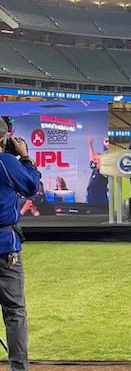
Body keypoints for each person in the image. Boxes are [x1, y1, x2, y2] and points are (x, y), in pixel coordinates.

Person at [0, 117, 40, 371]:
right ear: (4, 140)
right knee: (14, 312)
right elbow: (31, 186)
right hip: (5, 247)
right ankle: (18, 368)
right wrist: (25, 157)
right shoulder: (7, 162)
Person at [86, 137, 108, 204]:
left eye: (97, 159)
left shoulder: (104, 171)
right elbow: (91, 157)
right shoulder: (95, 171)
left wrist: (105, 147)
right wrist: (90, 145)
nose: (95, 161)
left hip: (100, 202)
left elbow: (105, 157)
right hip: (91, 200)